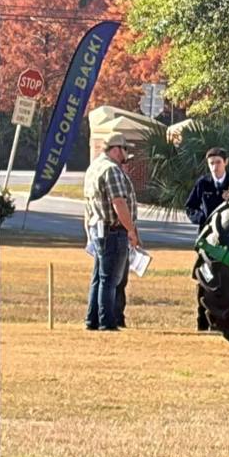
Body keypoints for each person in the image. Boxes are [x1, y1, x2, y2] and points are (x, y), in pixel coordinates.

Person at [84, 132, 139, 331]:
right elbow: (119, 204)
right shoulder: (112, 170)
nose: (126, 153)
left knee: (99, 277)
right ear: (116, 149)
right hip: (113, 230)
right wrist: (131, 230)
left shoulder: (93, 168)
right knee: (110, 280)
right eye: (125, 149)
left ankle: (92, 319)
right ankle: (106, 322)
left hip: (97, 228)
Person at [185, 147, 229, 330]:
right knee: (204, 278)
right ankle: (202, 321)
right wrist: (202, 220)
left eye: (218, 162)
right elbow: (190, 207)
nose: (214, 167)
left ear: (226, 162)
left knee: (227, 280)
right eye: (211, 163)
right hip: (206, 240)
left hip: (228, 241)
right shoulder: (203, 183)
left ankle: (222, 321)